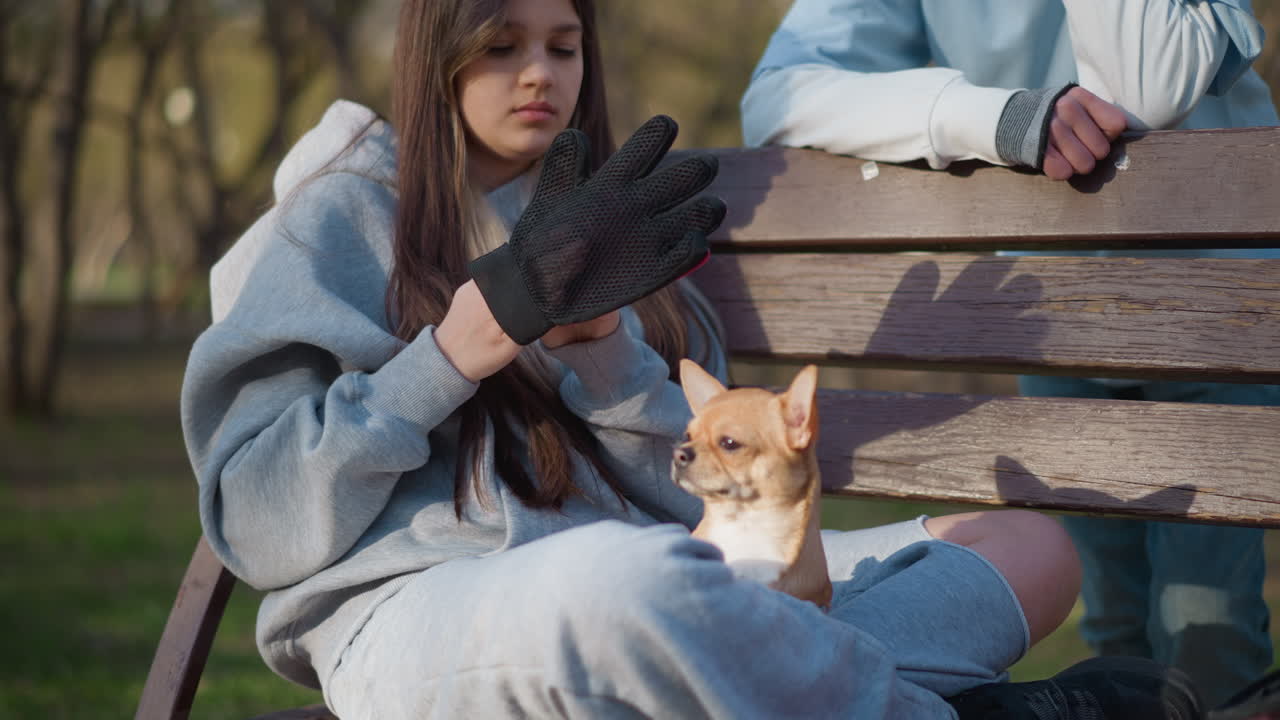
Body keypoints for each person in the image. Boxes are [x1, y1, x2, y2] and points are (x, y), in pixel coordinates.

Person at [180, 0, 1204, 717]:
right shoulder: (342, 218)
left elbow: (695, 500)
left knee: (1023, 551)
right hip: (429, 609)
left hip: (671, 578)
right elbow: (256, 521)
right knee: (627, 592)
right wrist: (460, 344)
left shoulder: (618, 221)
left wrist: (604, 356)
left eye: (564, 44)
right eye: (500, 44)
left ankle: (752, 683)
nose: (540, 73)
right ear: (435, 51)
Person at [741, 0, 1279, 710]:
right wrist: (997, 118)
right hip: (1055, 310)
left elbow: (1143, 86)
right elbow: (776, 99)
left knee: (1206, 630)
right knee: (1115, 630)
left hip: (1219, 301)